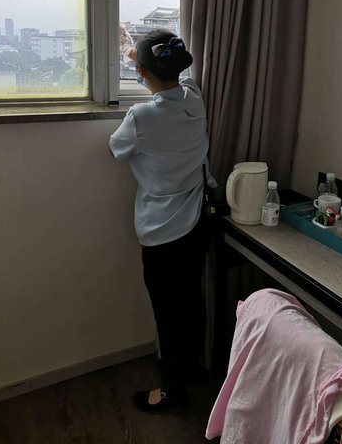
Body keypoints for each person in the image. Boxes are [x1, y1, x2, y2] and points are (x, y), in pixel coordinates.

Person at [109, 28, 215, 412]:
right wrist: (137, 54)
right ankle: (191, 370)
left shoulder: (141, 116)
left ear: (141, 72)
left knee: (167, 312)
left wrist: (135, 57)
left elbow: (116, 149)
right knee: (191, 301)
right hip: (199, 221)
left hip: (162, 232)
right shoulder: (195, 96)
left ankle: (171, 391)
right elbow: (171, 81)